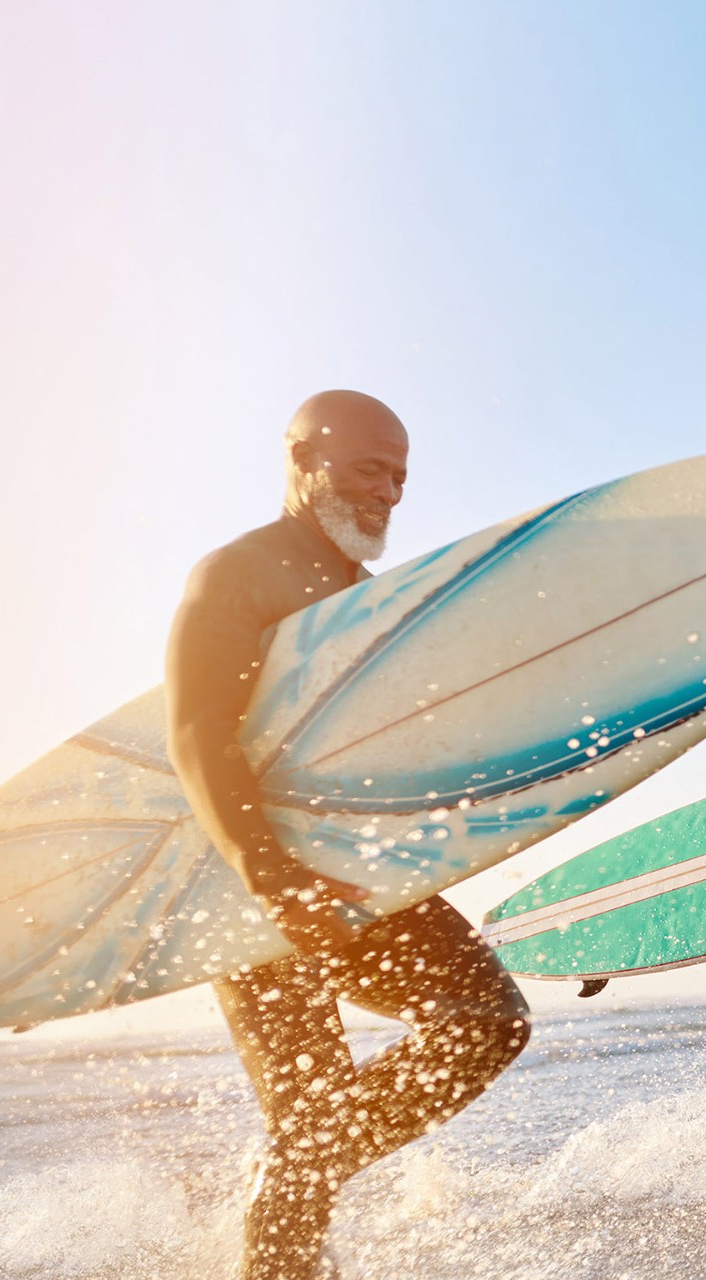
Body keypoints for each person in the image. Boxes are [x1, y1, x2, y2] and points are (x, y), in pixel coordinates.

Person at [166, 390, 530, 1280]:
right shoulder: (237, 573)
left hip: (360, 877)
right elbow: (195, 733)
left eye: (401, 474)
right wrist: (266, 876)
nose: (391, 492)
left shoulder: (369, 599)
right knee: (310, 1119)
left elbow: (398, 768)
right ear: (302, 457)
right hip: (254, 892)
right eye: (372, 467)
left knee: (487, 1021)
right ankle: (294, 1195)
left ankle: (292, 1176)